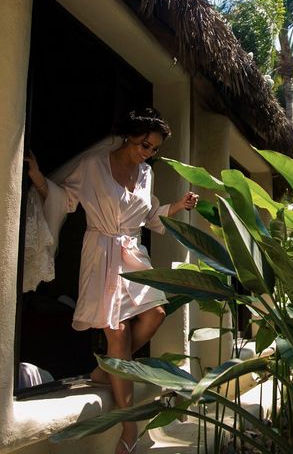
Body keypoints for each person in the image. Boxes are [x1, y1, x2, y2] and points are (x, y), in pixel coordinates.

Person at [25, 108, 198, 454]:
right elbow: (66, 199)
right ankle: (129, 428)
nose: (147, 153)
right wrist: (39, 179)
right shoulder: (94, 166)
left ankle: (107, 370)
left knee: (155, 314)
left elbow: (149, 216)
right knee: (117, 333)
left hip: (133, 251)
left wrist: (177, 206)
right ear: (129, 136)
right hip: (101, 251)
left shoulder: (147, 173)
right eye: (144, 144)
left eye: (153, 149)